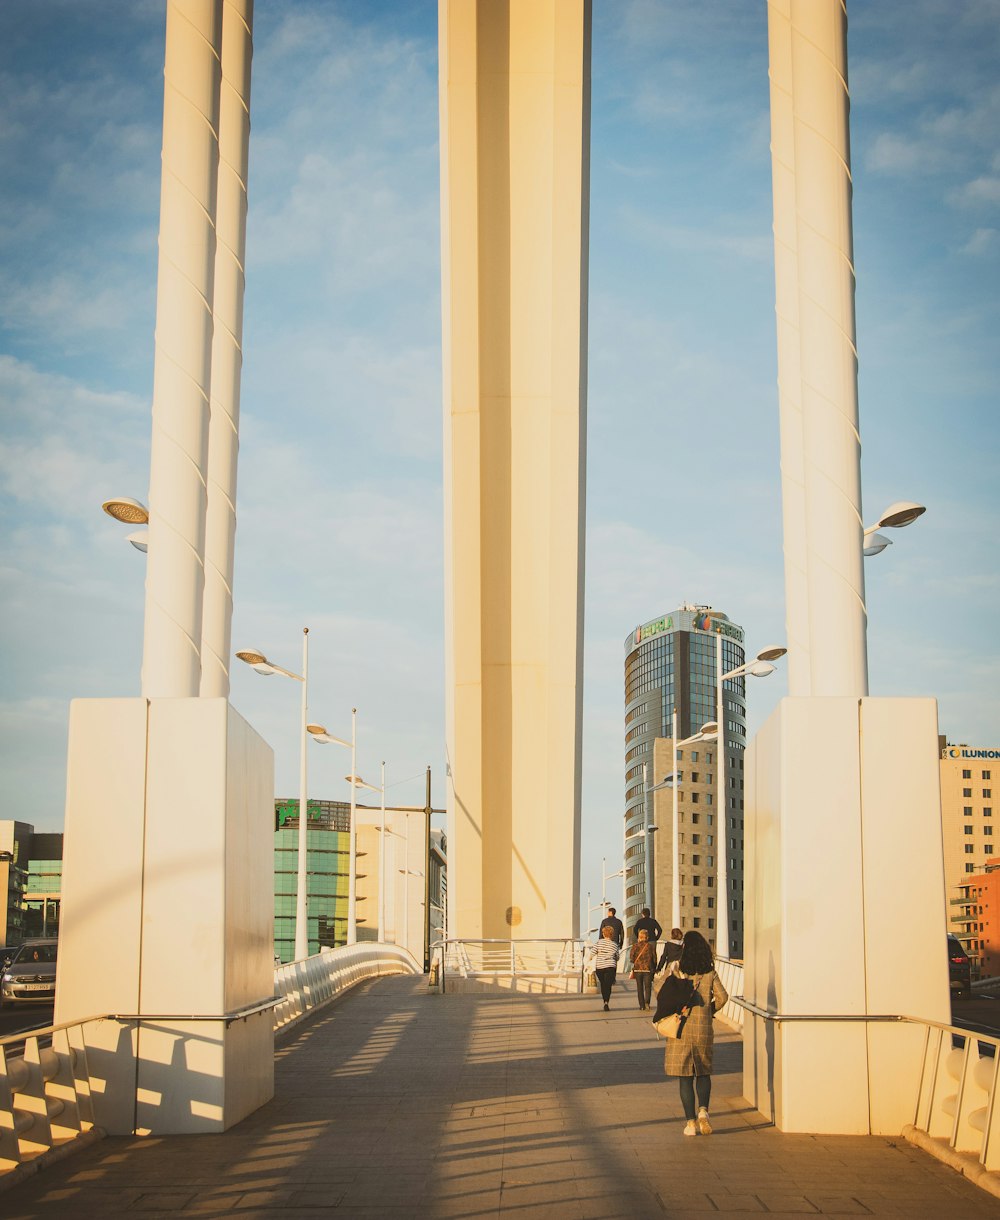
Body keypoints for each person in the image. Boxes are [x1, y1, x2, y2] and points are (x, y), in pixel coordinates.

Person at [652, 929, 728, 1136]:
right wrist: (708, 1011)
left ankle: (691, 1123)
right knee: (703, 1072)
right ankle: (703, 1111)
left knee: (685, 1076)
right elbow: (722, 997)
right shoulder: (710, 972)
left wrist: (671, 977)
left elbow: (658, 989)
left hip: (681, 1027)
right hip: (703, 1028)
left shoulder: (677, 969)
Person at [589, 924, 621, 1011]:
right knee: (608, 985)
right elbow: (617, 957)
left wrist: (589, 960)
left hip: (600, 967)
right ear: (612, 934)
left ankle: (604, 1001)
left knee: (603, 984)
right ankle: (606, 1002)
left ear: (603, 934)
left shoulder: (599, 943)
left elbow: (592, 953)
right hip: (610, 966)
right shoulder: (614, 945)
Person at [629, 927, 656, 1010]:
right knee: (648, 987)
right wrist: (654, 968)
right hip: (647, 969)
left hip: (637, 970)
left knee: (639, 988)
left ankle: (641, 1006)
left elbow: (631, 958)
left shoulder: (635, 946)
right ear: (647, 937)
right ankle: (647, 1002)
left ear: (639, 937)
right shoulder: (650, 946)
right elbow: (654, 958)